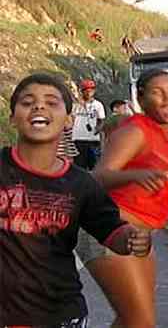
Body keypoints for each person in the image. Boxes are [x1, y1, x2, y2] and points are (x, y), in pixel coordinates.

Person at [1, 73, 152, 328]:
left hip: (60, 316)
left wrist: (133, 239)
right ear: (12, 118)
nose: (39, 106)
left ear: (68, 120)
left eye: (52, 102)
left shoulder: (82, 184)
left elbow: (112, 231)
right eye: (28, 102)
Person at [74, 69, 168, 327]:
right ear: (142, 100)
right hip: (108, 227)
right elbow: (97, 177)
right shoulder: (137, 130)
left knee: (136, 319)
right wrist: (134, 175)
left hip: (141, 234)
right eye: (158, 92)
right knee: (138, 319)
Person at [71, 78, 105, 170]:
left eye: (91, 90)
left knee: (94, 167)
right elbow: (71, 119)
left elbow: (101, 120)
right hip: (78, 139)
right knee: (79, 168)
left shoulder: (98, 105)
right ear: (82, 91)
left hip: (93, 140)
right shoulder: (75, 106)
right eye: (86, 90)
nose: (89, 92)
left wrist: (97, 130)